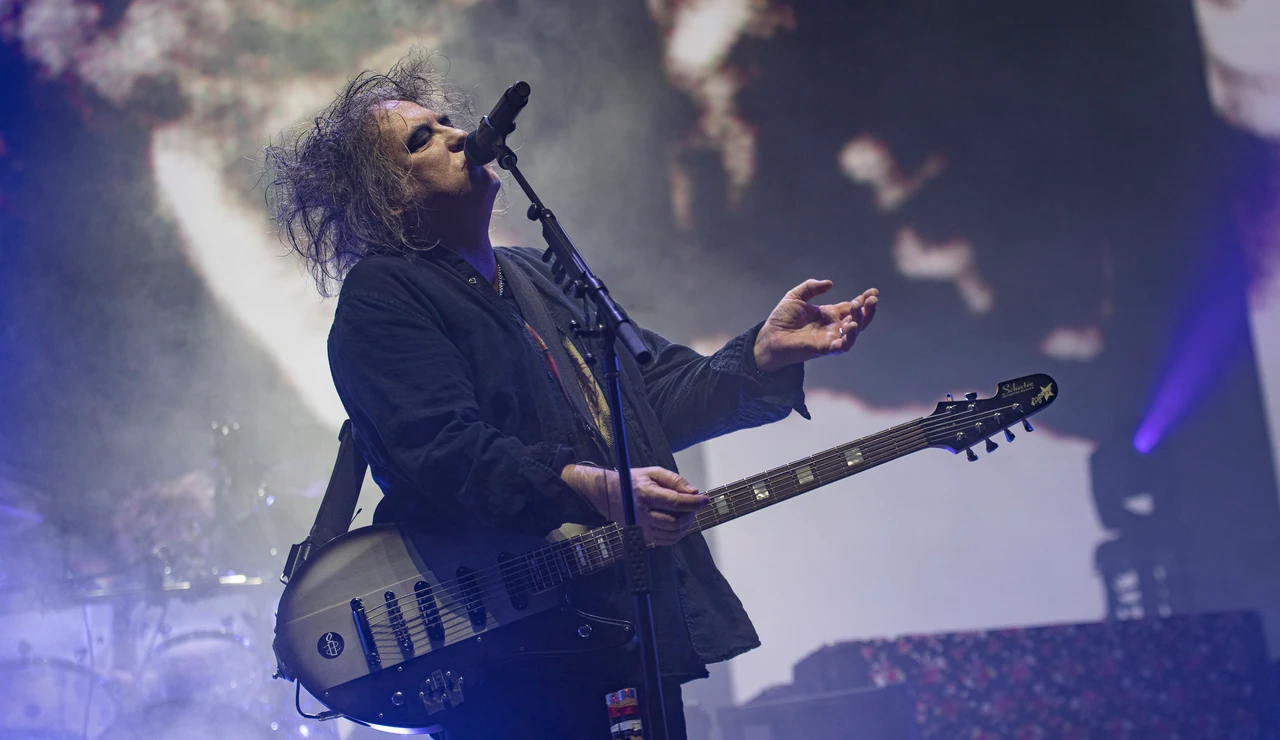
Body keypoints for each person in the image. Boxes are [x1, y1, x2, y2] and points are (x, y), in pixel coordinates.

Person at [265, 51, 878, 740]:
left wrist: (761, 358)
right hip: (508, 657)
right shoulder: (385, 295)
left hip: (612, 626)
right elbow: (449, 454)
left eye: (446, 122)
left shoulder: (537, 277)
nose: (457, 135)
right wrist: (591, 486)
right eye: (422, 140)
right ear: (391, 199)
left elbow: (651, 403)